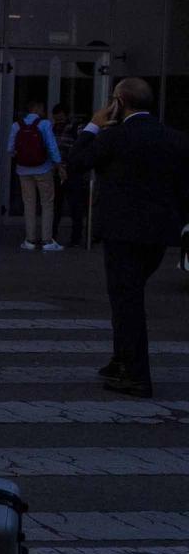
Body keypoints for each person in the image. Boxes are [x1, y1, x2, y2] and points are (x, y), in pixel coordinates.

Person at [71, 78, 189, 399]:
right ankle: (121, 359)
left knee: (127, 303)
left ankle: (136, 373)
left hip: (122, 233)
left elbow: (77, 162)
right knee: (128, 297)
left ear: (120, 102)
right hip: (159, 235)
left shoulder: (114, 137)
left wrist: (93, 127)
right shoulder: (175, 139)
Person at [8, 99, 65, 252]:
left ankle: (30, 240)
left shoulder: (16, 125)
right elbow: (51, 146)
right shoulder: (44, 124)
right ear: (38, 108)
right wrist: (58, 164)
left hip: (23, 170)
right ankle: (47, 240)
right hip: (43, 168)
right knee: (47, 204)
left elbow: (10, 148)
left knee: (29, 204)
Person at [51, 104, 89, 247]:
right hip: (58, 171)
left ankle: (75, 237)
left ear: (66, 115)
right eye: (57, 119)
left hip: (71, 171)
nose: (59, 121)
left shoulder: (75, 128)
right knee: (57, 206)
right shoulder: (53, 129)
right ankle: (53, 234)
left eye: (61, 118)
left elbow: (86, 141)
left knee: (74, 207)